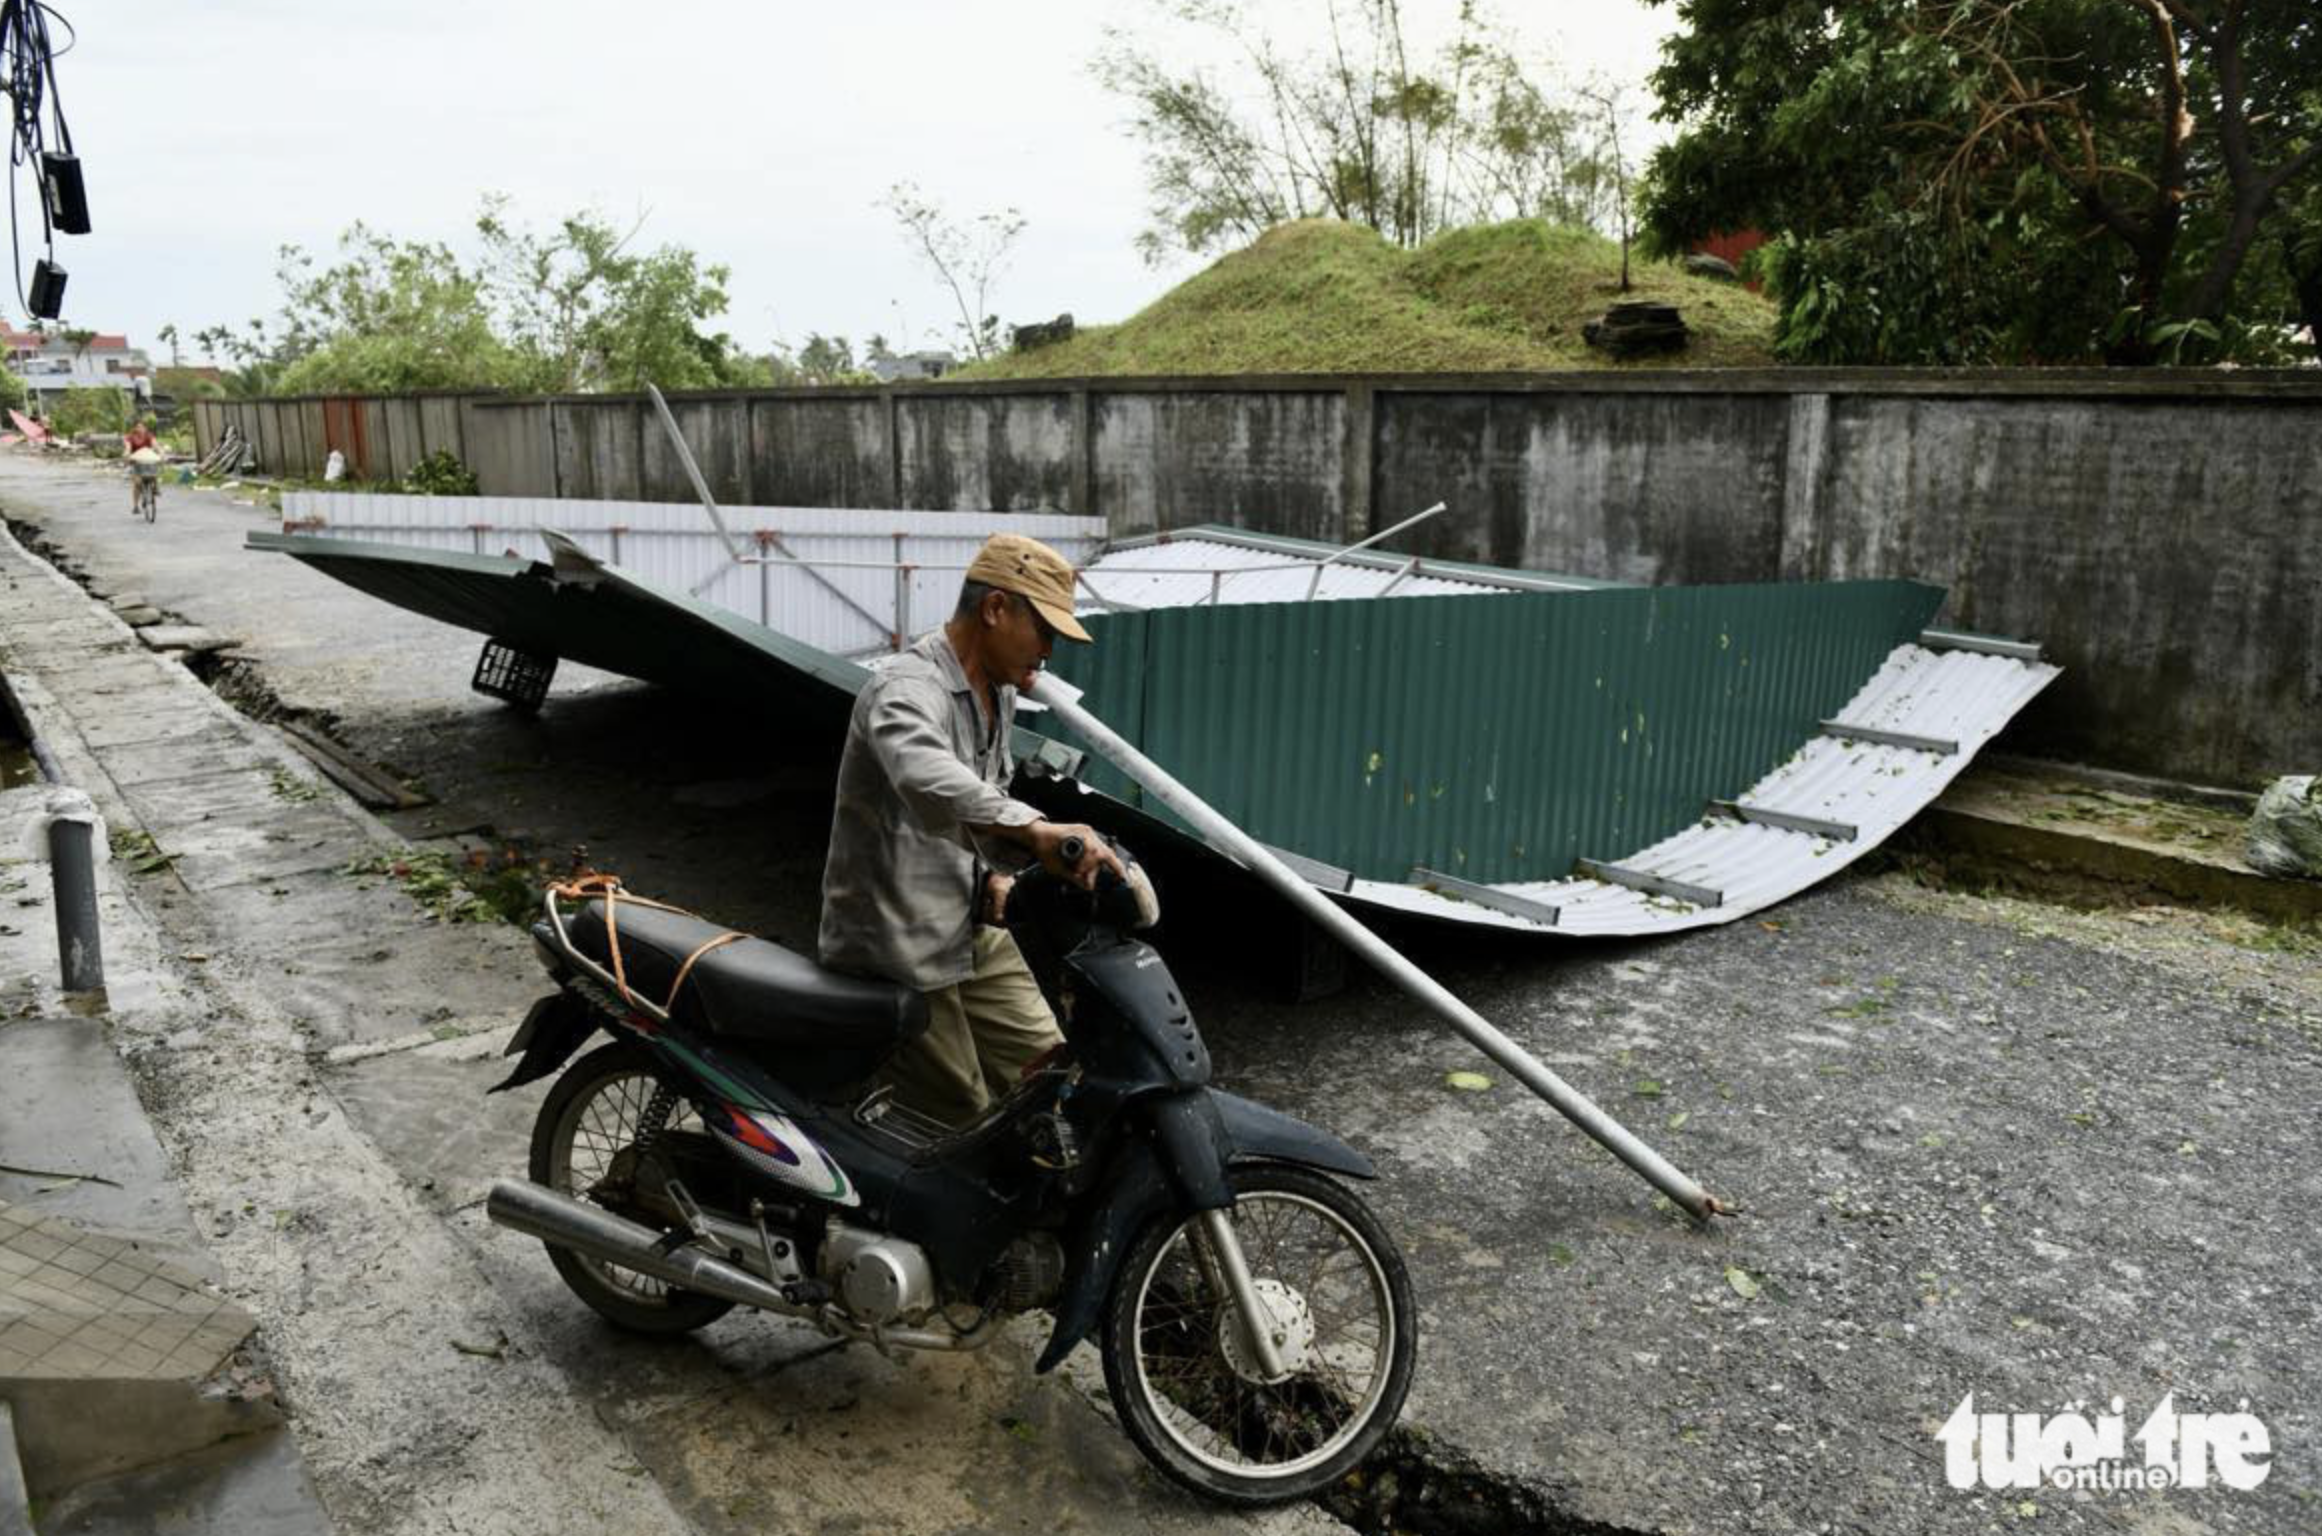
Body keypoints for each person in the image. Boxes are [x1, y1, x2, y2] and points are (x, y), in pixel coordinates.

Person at [819, 532, 1122, 1125]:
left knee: (1052, 1070)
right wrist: (1034, 830)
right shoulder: (906, 689)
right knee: (959, 1113)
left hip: (968, 926)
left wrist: (993, 878)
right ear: (995, 609)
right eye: (1046, 631)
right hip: (897, 944)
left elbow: (981, 799)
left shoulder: (996, 694)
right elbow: (926, 774)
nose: (1049, 653)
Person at [122, 417, 160, 515]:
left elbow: (155, 445)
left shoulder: (149, 436)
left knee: (154, 472)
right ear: (134, 428)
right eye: (138, 427)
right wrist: (126, 454)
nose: (140, 429)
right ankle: (135, 506)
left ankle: (155, 488)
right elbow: (128, 447)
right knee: (137, 483)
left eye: (142, 427)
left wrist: (159, 451)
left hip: (148, 459)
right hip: (136, 461)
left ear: (145, 428)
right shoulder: (130, 437)